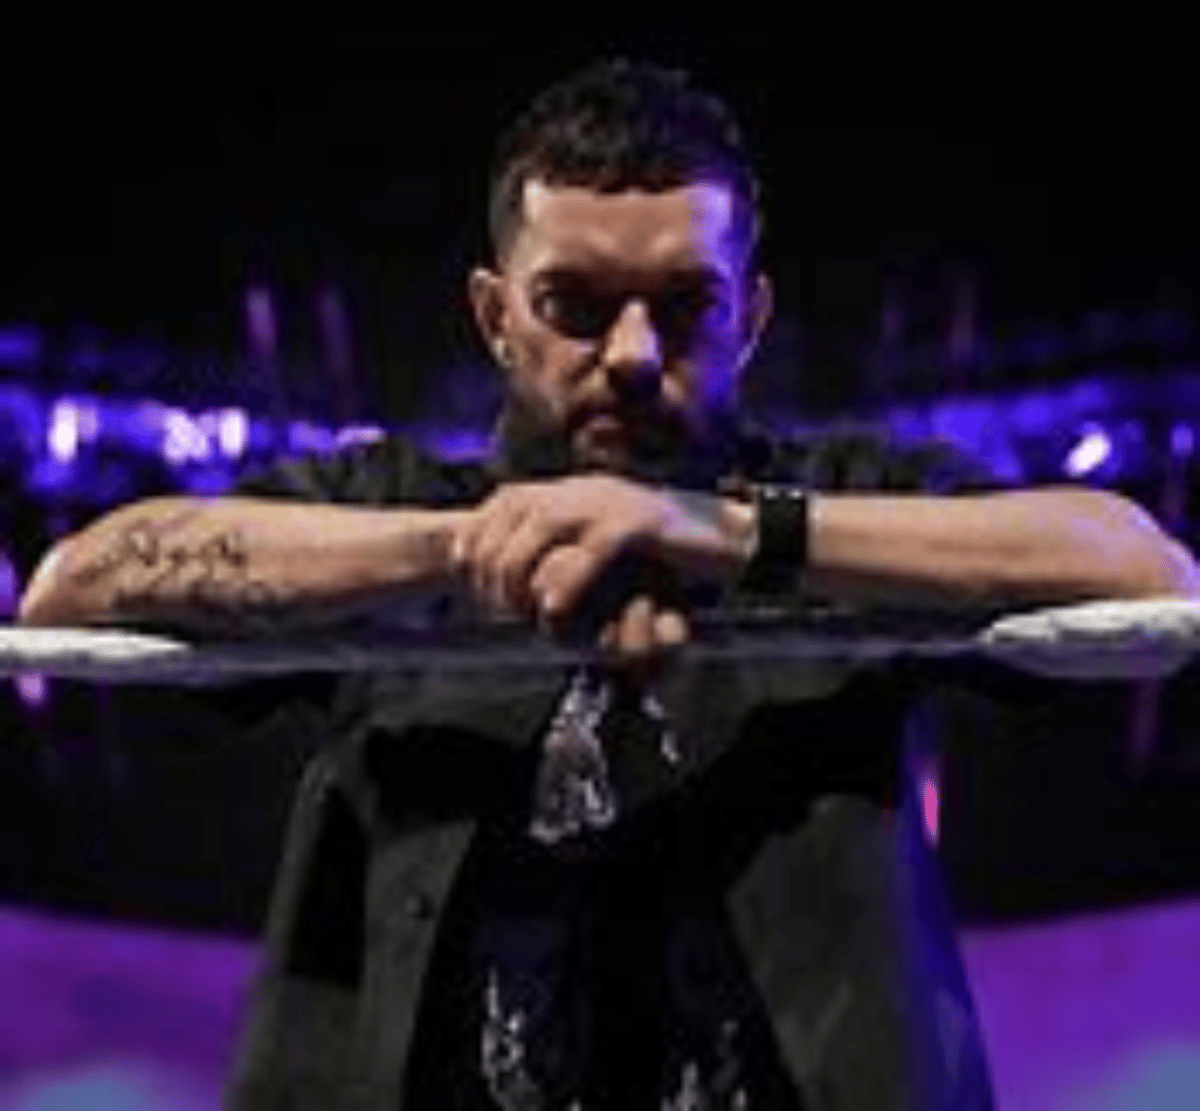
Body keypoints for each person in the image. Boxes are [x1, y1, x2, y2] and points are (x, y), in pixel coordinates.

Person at [17, 59, 1199, 1110]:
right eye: (573, 307)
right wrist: (459, 546)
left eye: (686, 306)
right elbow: (72, 589)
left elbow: (1146, 571)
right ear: (495, 317)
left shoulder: (850, 498)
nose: (632, 355)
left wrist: (727, 532)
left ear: (751, 317)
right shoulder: (382, 498)